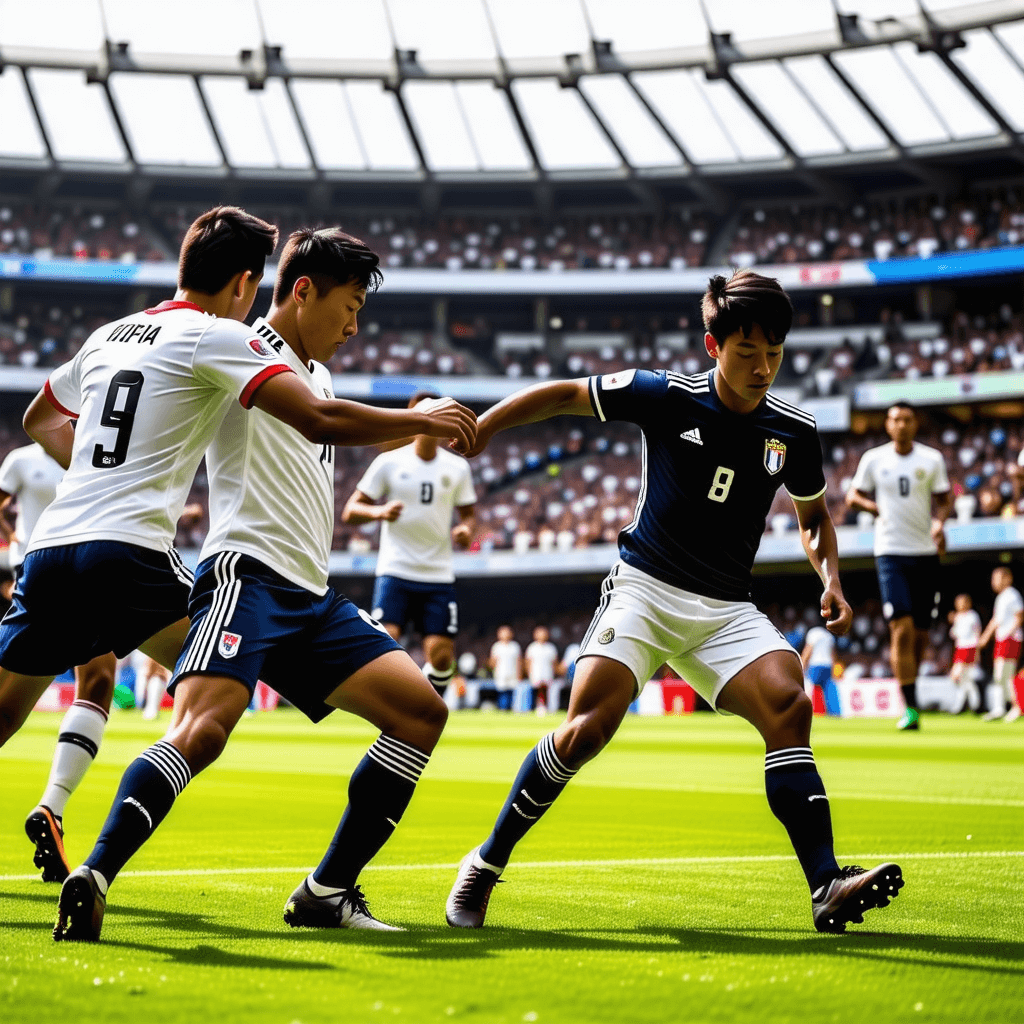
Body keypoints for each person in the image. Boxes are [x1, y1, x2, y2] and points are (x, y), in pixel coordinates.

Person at [445, 269, 903, 935]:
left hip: (724, 608)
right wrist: (486, 428)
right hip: (645, 591)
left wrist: (829, 577)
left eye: (773, 355)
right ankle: (484, 865)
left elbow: (812, 519)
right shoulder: (665, 396)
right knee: (585, 732)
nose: (762, 369)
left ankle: (827, 885)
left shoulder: (794, 431)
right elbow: (566, 395)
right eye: (747, 354)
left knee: (788, 702)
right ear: (714, 347)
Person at [54, 227, 477, 941]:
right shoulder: (238, 348)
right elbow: (321, 421)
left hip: (311, 596)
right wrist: (416, 421)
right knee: (201, 730)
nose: (353, 325)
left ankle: (326, 892)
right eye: (348, 306)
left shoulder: (321, 370)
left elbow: (325, 412)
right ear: (302, 290)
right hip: (244, 577)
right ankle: (93, 876)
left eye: (361, 313)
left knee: (419, 713)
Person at [0, 206, 283, 871]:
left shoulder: (110, 334)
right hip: (129, 554)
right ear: (244, 284)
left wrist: (98, 473)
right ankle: (111, 849)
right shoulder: (216, 336)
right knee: (224, 676)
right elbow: (314, 413)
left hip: (52, 549)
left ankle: (65, 811)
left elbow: (39, 417)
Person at [0, 441, 118, 881]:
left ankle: (52, 808)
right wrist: (12, 542)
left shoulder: (96, 443)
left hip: (78, 567)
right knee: (9, 706)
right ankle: (53, 805)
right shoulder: (24, 459)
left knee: (99, 678)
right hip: (36, 567)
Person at [342, 390, 477, 697]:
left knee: (441, 655)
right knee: (386, 642)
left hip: (438, 574)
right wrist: (379, 511)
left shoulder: (457, 469)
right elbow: (350, 512)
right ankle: (394, 706)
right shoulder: (388, 462)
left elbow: (469, 515)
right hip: (395, 568)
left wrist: (466, 531)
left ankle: (426, 703)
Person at [846, 404, 952, 731]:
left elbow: (945, 499)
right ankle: (911, 708)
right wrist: (874, 507)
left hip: (925, 552)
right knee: (901, 628)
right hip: (890, 552)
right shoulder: (874, 459)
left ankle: (911, 692)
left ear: (914, 423)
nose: (901, 424)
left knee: (920, 635)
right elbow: (852, 496)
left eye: (907, 419)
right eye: (895, 419)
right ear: (888, 425)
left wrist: (940, 522)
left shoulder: (931, 459)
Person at [978, 566, 1023, 722]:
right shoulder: (1001, 597)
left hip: (1010, 640)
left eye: (997, 578)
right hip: (1002, 640)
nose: (994, 582)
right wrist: (985, 637)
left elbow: (1019, 616)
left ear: (1007, 578)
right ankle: (1001, 707)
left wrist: (1009, 634)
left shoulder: (1012, 595)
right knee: (999, 675)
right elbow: (996, 620)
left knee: (1006, 674)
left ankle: (1016, 707)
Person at [948, 593, 982, 714]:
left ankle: (966, 704)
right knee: (965, 679)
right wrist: (953, 621)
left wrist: (977, 651)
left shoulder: (972, 616)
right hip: (960, 648)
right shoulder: (958, 617)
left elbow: (977, 633)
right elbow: (954, 634)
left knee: (955, 675)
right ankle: (974, 704)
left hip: (969, 648)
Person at [800, 621, 836, 716]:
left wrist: (802, 666)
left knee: (810, 688)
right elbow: (833, 655)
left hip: (815, 665)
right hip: (827, 665)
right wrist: (833, 669)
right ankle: (831, 713)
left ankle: (809, 711)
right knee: (827, 691)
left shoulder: (813, 632)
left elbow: (808, 651)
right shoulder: (829, 636)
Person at [524, 625, 559, 715]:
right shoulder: (532, 647)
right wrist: (529, 673)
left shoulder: (551, 648)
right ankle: (536, 707)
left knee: (546, 691)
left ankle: (547, 707)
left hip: (547, 673)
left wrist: (555, 673)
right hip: (535, 673)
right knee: (537, 691)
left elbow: (554, 663)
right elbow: (528, 662)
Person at [488, 625, 521, 711]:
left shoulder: (515, 646)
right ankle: (502, 710)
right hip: (501, 674)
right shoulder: (496, 647)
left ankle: (510, 709)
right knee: (502, 693)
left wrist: (519, 674)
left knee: (512, 693)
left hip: (512, 674)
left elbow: (519, 662)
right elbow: (492, 662)